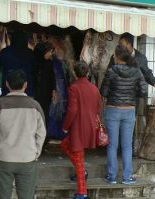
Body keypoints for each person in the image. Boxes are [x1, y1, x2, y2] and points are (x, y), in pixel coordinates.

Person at [0, 69, 46, 199]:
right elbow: (41, 133)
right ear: (25, 85)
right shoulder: (35, 106)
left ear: (7, 84)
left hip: (3, 159)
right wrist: (36, 152)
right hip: (27, 159)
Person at [100, 45, 147, 184]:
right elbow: (143, 91)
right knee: (127, 145)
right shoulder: (137, 72)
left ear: (117, 56)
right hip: (129, 110)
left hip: (113, 109)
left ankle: (112, 176)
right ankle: (127, 177)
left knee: (112, 145)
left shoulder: (111, 71)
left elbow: (103, 91)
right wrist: (132, 95)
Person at [61, 61, 102, 199]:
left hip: (77, 127)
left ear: (74, 73)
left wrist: (65, 126)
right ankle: (82, 172)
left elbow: (72, 110)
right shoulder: (94, 88)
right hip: (90, 126)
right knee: (67, 147)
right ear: (88, 73)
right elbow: (99, 109)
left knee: (78, 158)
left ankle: (83, 193)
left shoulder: (73, 87)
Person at [0, 30, 36, 97]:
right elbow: (35, 70)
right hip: (27, 91)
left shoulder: (6, 52)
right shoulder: (30, 54)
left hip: (9, 91)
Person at [33, 41, 56, 128]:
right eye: (49, 51)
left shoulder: (49, 63)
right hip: (34, 95)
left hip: (46, 96)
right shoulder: (34, 61)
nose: (51, 54)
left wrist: (54, 90)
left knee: (44, 116)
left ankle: (43, 138)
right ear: (44, 51)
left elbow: (52, 77)